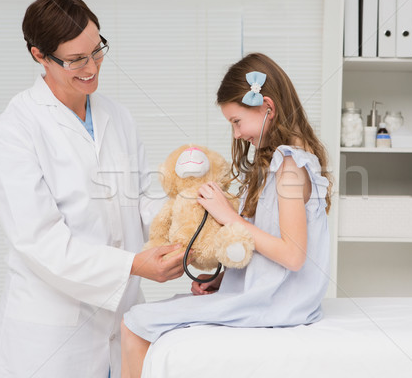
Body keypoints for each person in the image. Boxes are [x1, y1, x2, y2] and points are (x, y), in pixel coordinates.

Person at [0, 0, 185, 378]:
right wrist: (133, 266)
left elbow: (142, 197)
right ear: (39, 55)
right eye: (76, 59)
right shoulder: (12, 133)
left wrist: (189, 231)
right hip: (51, 342)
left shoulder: (117, 116)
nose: (92, 66)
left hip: (122, 326)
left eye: (97, 50)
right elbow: (41, 242)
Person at [121, 52, 333, 378]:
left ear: (267, 108)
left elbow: (293, 256)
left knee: (135, 323)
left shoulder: (289, 165)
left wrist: (227, 216)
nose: (236, 134)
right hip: (276, 295)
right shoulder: (283, 161)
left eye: (236, 121)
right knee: (151, 315)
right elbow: (271, 244)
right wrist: (224, 279)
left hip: (279, 303)